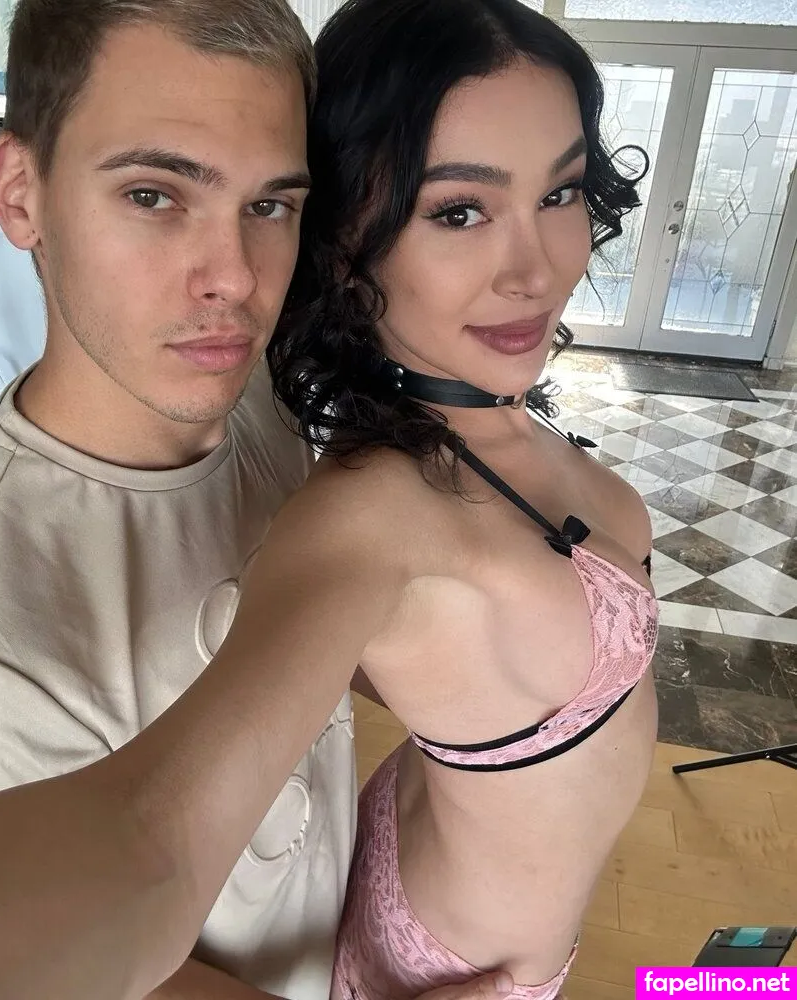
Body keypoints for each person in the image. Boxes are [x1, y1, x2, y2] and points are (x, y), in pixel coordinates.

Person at [0, 3, 515, 999]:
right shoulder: (5, 621)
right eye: (153, 195)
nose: (234, 280)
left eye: (270, 205)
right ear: (21, 194)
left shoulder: (258, 404)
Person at [213, 0, 655, 996]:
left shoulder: (489, 417)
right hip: (447, 970)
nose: (537, 269)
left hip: (457, 878)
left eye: (560, 192)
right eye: (459, 210)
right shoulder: (369, 513)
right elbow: (146, 843)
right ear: (346, 238)